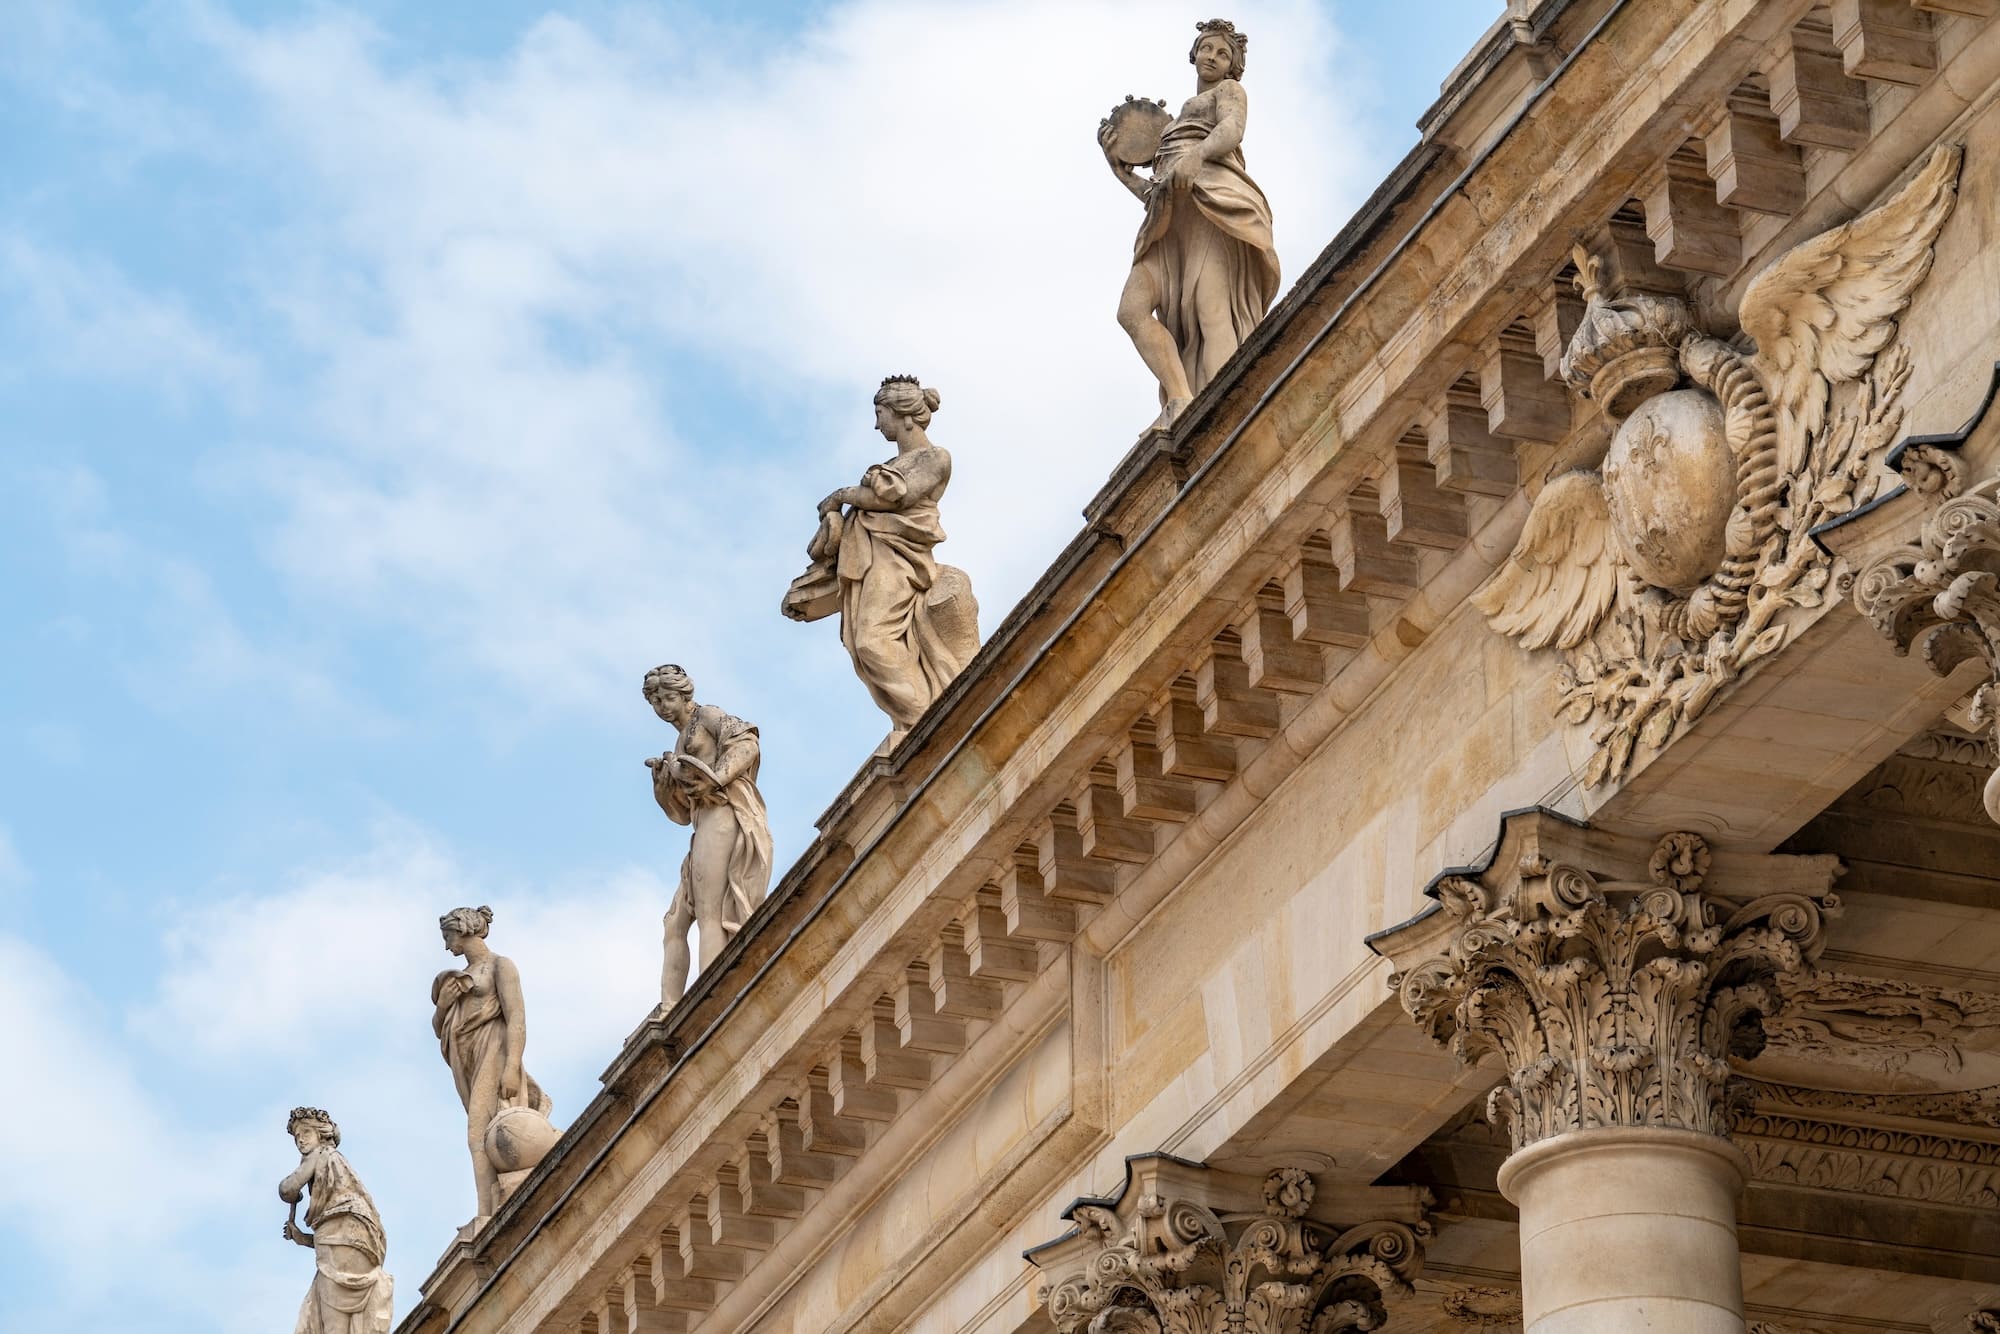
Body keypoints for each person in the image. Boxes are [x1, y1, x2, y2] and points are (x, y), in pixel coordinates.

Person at [1099, 19, 1279, 428]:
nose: (1212, 57)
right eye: (1207, 49)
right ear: (1194, 54)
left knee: (1211, 313)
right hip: (1169, 222)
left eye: (1223, 53)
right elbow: (1159, 189)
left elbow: (1232, 129)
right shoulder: (1178, 118)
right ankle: (1181, 399)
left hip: (1209, 208)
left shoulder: (1228, 92)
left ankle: (1226, 418)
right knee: (1132, 311)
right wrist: (1123, 173)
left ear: (1233, 67)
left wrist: (1197, 156)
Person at [811, 375, 976, 735]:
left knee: (873, 642)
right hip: (874, 557)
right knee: (860, 645)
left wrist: (841, 496)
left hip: (900, 560)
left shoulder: (935, 457)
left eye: (880, 413)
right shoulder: (890, 463)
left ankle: (926, 723)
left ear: (903, 415)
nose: (876, 423)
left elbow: (895, 497)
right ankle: (920, 719)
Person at [643, 664, 774, 1004]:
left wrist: (717, 777)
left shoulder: (709, 716)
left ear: (685, 695)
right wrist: (663, 790)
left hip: (723, 816)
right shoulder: (679, 740)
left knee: (710, 912)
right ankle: (671, 1007)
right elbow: (682, 815)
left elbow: (747, 744)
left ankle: (712, 999)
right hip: (703, 823)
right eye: (656, 701)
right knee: (674, 921)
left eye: (669, 697)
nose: (663, 707)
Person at [430, 906, 553, 1217]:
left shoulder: (501, 966)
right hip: (466, 1058)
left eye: (449, 936)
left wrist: (512, 1066)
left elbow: (516, 1019)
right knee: (480, 1129)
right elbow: (437, 1028)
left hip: (494, 1048)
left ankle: (487, 1211)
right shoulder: (457, 978)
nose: (447, 946)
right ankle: (489, 1205)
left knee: (478, 1131)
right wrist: (443, 1006)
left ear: (465, 929)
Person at [278, 1106, 393, 1334]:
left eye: (306, 1133)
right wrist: (305, 1239)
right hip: (354, 1241)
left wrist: (294, 1191)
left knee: (330, 1321)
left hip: (341, 1246)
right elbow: (335, 1229)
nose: (301, 1141)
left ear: (321, 1134)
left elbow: (287, 1189)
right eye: (297, 1138)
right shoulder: (337, 1164)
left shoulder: (321, 1154)